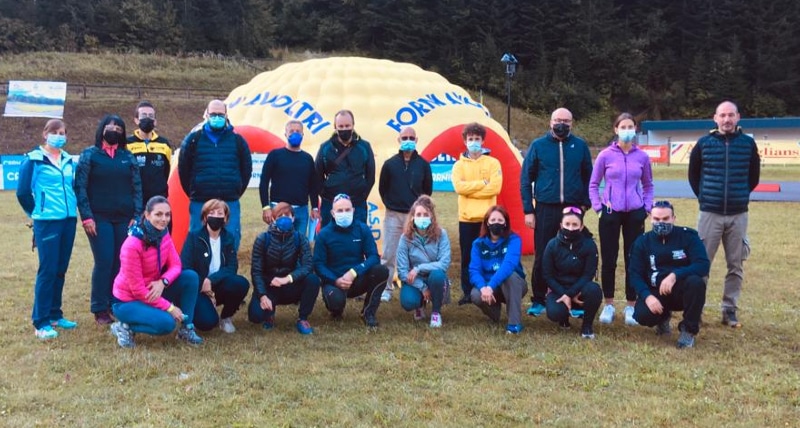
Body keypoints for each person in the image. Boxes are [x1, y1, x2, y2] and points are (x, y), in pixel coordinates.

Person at [688, 100, 760, 328]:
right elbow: (693, 176)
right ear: (715, 118)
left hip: (738, 214)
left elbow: (753, 177)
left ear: (738, 117)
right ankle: (695, 310)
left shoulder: (748, 144)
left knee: (736, 265)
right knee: (701, 264)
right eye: (722, 115)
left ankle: (729, 310)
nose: (727, 119)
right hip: (710, 213)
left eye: (731, 115)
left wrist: (739, 196)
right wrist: (706, 197)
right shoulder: (704, 144)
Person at [521, 107, 592, 317]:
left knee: (574, 253)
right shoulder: (538, 146)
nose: (562, 124)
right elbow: (525, 180)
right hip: (545, 207)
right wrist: (528, 210)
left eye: (566, 121)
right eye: (558, 120)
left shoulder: (580, 146)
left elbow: (589, 177)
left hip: (572, 208)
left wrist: (584, 204)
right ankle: (539, 298)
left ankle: (574, 298)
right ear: (550, 122)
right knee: (543, 252)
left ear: (572, 123)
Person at [109, 196, 203, 348]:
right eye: (158, 214)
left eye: (167, 215)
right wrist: (170, 308)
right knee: (167, 324)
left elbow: (176, 265)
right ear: (147, 215)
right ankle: (124, 326)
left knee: (190, 277)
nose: (164, 219)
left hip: (153, 289)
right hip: (127, 301)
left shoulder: (163, 233)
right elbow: (138, 290)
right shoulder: (131, 245)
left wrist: (163, 282)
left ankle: (187, 329)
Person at [75, 115, 142, 325]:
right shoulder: (89, 155)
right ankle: (99, 307)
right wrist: (87, 216)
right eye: (109, 126)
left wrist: (137, 215)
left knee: (121, 261)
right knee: (104, 261)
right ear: (102, 129)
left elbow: (137, 187)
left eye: (118, 128)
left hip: (125, 219)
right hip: (98, 218)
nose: (114, 130)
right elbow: (80, 187)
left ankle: (115, 302)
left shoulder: (127, 156)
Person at [16, 119, 79, 339]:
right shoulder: (33, 159)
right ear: (45, 134)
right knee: (48, 269)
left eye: (62, 133)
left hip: (69, 220)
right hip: (48, 221)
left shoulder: (68, 160)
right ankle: (40, 322)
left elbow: (73, 187)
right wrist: (37, 213)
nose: (59, 136)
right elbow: (23, 192)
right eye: (55, 132)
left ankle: (54, 314)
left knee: (60, 268)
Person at [589, 113, 654, 326]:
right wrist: (598, 207)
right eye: (623, 126)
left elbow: (648, 185)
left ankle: (631, 305)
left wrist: (646, 208)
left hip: (635, 212)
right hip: (610, 212)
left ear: (635, 129)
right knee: (609, 258)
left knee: (633, 258)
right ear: (616, 129)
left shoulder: (642, 157)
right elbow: (593, 184)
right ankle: (608, 304)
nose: (627, 130)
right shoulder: (605, 155)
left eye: (630, 126)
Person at [630, 201, 710, 349]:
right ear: (650, 218)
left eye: (666, 219)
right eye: (657, 219)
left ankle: (688, 330)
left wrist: (675, 275)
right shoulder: (642, 242)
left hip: (682, 289)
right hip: (655, 290)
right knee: (642, 315)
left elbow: (703, 264)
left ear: (674, 218)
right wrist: (647, 296)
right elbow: (635, 274)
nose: (661, 223)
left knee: (696, 283)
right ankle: (662, 318)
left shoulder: (688, 236)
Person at [178, 99, 252, 250]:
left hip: (229, 200)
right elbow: (183, 169)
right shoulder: (193, 140)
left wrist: (236, 190)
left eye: (220, 114)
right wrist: (194, 190)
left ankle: (226, 265)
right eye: (213, 114)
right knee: (197, 240)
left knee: (231, 239)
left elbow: (246, 170)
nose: (217, 117)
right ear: (206, 115)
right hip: (200, 200)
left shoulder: (238, 141)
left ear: (226, 115)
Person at [313, 193, 389, 327]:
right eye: (340, 210)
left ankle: (368, 313)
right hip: (334, 281)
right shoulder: (324, 234)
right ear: (332, 213)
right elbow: (318, 265)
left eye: (347, 210)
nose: (344, 213)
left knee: (381, 271)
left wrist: (354, 272)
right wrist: (335, 280)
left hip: (356, 278)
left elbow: (373, 257)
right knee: (336, 303)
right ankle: (336, 310)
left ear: (353, 210)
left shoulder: (362, 229)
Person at [378, 126, 433, 302]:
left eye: (411, 137)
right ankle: (385, 289)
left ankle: (416, 287)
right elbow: (383, 188)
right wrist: (391, 205)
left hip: (415, 217)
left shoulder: (423, 165)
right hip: (393, 215)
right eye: (404, 138)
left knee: (417, 254)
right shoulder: (390, 164)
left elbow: (427, 190)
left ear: (416, 140)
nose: (407, 140)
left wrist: (418, 211)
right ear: (399, 140)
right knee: (389, 254)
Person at [248, 202, 321, 334]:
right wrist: (262, 295)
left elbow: (308, 265)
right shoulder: (262, 239)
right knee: (255, 316)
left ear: (293, 218)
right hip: (270, 285)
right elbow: (256, 271)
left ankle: (303, 319)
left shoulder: (300, 238)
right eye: (279, 216)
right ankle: (269, 315)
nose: (283, 219)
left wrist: (288, 278)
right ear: (273, 219)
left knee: (313, 280)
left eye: (287, 215)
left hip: (290, 284)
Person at [452, 122, 502, 306]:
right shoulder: (458, 165)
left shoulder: (493, 163)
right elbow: (459, 188)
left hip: (487, 219)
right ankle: (467, 292)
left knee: (489, 254)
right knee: (467, 256)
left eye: (477, 139)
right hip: (466, 219)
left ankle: (490, 288)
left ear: (482, 140)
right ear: (465, 141)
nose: (474, 142)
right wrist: (482, 183)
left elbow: (495, 188)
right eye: (470, 139)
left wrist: (470, 190)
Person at [181, 199, 249, 333]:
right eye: (211, 213)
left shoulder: (228, 238)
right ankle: (196, 311)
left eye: (220, 213)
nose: (216, 216)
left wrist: (211, 280)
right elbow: (185, 267)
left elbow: (232, 267)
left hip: (217, 285)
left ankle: (226, 317)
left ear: (226, 218)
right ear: (205, 217)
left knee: (240, 283)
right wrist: (203, 284)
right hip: (198, 289)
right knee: (207, 323)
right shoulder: (193, 237)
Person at [542, 207, 602, 339]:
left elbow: (588, 274)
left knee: (594, 290)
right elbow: (547, 275)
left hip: (581, 290)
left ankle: (587, 325)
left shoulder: (589, 245)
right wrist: (564, 294)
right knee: (554, 313)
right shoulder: (552, 245)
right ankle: (563, 319)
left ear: (581, 227)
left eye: (575, 225)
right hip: (558, 290)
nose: (570, 228)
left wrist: (571, 293)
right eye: (567, 224)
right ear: (561, 225)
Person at [468, 205, 527, 334]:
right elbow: (474, 270)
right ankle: (494, 312)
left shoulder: (514, 239)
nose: (496, 223)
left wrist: (491, 286)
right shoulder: (478, 244)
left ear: (506, 223)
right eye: (493, 220)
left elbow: (509, 265)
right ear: (487, 223)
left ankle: (514, 323)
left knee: (510, 276)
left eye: (500, 220)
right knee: (476, 295)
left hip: (513, 285)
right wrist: (483, 288)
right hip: (490, 286)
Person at [395, 195, 450, 328]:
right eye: (418, 214)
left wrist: (418, 268)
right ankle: (419, 306)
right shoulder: (405, 238)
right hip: (415, 280)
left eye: (426, 214)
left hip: (433, 276)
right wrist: (423, 287)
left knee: (438, 276)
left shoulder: (442, 234)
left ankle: (436, 312)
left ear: (432, 216)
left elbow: (444, 263)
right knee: (408, 302)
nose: (422, 217)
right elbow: (402, 272)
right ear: (412, 217)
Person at [259, 120, 320, 238]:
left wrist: (315, 208)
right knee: (277, 243)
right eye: (291, 131)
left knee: (300, 244)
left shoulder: (308, 159)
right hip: (278, 209)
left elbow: (313, 186)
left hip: (301, 210)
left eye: (298, 131)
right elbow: (264, 182)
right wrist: (266, 207)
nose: (295, 133)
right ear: (285, 134)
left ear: (302, 134)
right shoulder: (275, 155)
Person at [314, 110, 375, 227]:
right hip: (330, 203)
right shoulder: (325, 147)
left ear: (353, 125)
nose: (344, 129)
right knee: (329, 236)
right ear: (335, 127)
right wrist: (325, 195)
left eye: (347, 126)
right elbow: (317, 175)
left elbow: (370, 175)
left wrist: (362, 196)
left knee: (358, 235)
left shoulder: (364, 147)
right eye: (341, 126)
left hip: (357, 204)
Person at [126, 101, 172, 211]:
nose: (147, 118)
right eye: (144, 115)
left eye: (151, 116)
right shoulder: (127, 144)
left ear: (155, 121)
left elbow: (167, 171)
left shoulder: (164, 144)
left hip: (158, 201)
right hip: (135, 201)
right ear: (136, 120)